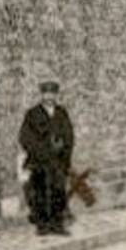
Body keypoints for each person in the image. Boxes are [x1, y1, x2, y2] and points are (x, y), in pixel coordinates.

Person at [19, 79, 75, 236]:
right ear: (42, 95)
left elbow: (69, 135)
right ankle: (43, 225)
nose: (49, 97)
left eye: (52, 93)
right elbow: (25, 137)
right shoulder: (32, 114)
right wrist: (41, 151)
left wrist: (64, 150)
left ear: (56, 95)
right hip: (39, 162)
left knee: (58, 192)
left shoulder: (61, 113)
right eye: (46, 93)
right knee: (40, 192)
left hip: (58, 162)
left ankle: (57, 224)